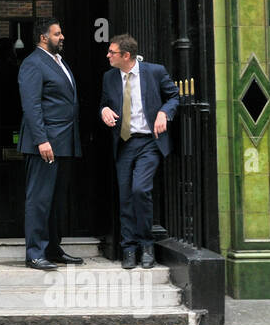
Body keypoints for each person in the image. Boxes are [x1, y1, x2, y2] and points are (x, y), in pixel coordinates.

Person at [100, 33, 179, 270]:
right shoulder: (109, 77)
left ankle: (146, 245)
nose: (108, 55)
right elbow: (104, 102)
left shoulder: (154, 72)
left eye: (111, 52)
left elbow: (173, 96)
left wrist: (165, 113)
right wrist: (103, 109)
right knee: (125, 195)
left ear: (126, 55)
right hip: (124, 143)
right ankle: (129, 248)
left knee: (140, 189)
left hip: (148, 143)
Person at [17, 17, 83, 270]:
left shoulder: (58, 61)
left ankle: (53, 249)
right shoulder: (33, 63)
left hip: (64, 142)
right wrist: (42, 140)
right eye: (57, 34)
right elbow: (32, 106)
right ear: (43, 37)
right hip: (45, 143)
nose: (62, 37)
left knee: (56, 200)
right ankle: (34, 253)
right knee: (39, 199)